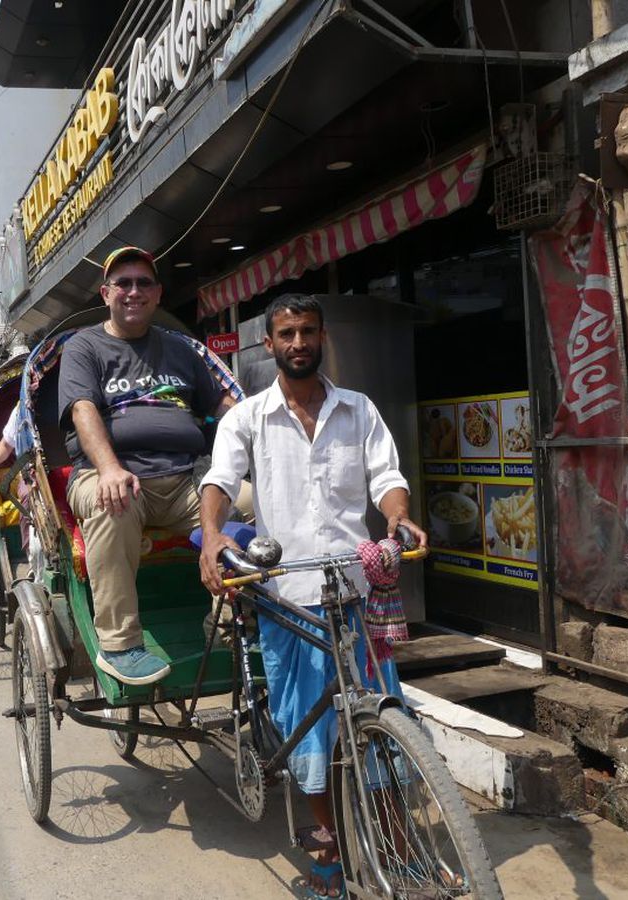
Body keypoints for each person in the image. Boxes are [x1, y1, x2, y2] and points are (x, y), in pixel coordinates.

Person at [198, 294, 427, 900]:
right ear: (269, 343)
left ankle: (396, 837)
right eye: (287, 333)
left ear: (322, 337)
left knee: (381, 718)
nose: (297, 342)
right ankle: (328, 840)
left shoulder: (359, 409)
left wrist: (397, 518)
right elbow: (220, 480)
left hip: (355, 591)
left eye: (307, 331)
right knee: (308, 730)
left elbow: (387, 478)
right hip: (288, 596)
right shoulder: (247, 418)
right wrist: (213, 536)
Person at [59, 246, 236, 686]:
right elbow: (82, 409)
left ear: (157, 294)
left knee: (254, 502)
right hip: (110, 476)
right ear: (106, 294)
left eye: (143, 283)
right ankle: (119, 645)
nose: (133, 291)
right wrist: (109, 468)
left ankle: (230, 619)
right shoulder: (84, 347)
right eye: (123, 283)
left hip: (185, 479)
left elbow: (222, 405)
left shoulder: (180, 349)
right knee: (112, 502)